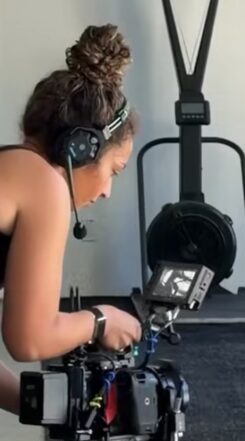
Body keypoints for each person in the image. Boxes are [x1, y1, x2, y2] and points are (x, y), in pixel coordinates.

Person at [0, 24, 142, 415]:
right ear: (81, 148)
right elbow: (30, 339)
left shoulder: (11, 170)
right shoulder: (45, 186)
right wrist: (102, 319)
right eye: (114, 171)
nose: (107, 191)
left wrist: (53, 413)